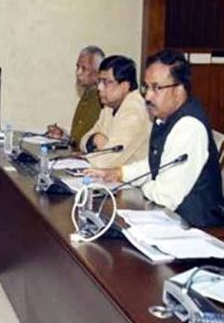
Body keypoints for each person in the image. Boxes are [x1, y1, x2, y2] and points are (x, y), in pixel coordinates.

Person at [87, 50, 224, 227]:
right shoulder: (166, 117)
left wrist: (142, 183)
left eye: (156, 88)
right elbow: (156, 164)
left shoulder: (189, 126)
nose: (148, 96)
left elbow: (165, 197)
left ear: (179, 90)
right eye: (146, 87)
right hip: (171, 220)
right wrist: (119, 173)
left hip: (198, 229)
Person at [79, 55, 151, 168]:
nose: (99, 87)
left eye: (106, 82)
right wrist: (95, 139)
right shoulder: (109, 106)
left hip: (131, 178)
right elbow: (83, 141)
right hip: (107, 174)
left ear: (124, 86)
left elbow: (105, 162)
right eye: (99, 81)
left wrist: (94, 148)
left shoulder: (134, 112)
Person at [47, 46, 105, 147]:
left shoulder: (103, 100)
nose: (78, 73)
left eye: (84, 68)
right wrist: (63, 136)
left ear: (98, 72)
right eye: (77, 67)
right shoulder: (86, 96)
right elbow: (78, 139)